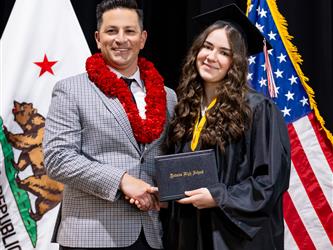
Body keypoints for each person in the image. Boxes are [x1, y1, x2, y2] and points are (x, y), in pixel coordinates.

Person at [42, 0, 177, 249]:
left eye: (130, 31)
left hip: (151, 235)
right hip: (91, 235)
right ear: (97, 37)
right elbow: (57, 158)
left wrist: (173, 193)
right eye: (111, 31)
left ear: (143, 38)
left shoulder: (167, 96)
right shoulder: (71, 90)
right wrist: (121, 180)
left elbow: (169, 158)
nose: (121, 39)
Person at [163, 4, 291, 250]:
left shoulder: (257, 109)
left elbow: (270, 181)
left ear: (236, 62)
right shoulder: (187, 108)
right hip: (192, 232)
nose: (211, 57)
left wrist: (219, 197)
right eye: (208, 47)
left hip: (235, 237)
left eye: (224, 52)